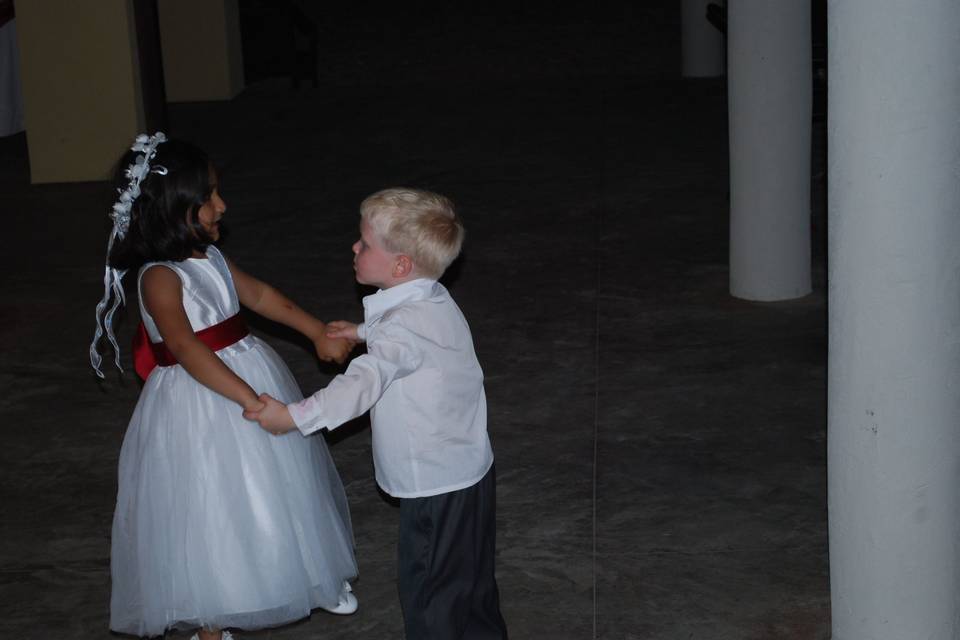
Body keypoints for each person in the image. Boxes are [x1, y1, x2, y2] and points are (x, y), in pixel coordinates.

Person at [90, 133, 358, 640]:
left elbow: (257, 294)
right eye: (208, 197)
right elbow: (187, 348)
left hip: (246, 368)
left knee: (276, 487)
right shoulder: (159, 277)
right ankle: (212, 623)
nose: (222, 205)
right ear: (172, 210)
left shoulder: (210, 258)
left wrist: (315, 329)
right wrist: (247, 398)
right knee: (211, 502)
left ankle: (306, 575)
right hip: (200, 399)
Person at [245, 188, 509, 639]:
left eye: (364, 244)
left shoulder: (402, 330)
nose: (354, 247)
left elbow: (360, 385)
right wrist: (365, 331)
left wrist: (293, 416)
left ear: (401, 265)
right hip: (470, 472)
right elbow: (412, 339)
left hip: (433, 486)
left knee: (430, 590)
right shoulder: (433, 299)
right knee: (471, 582)